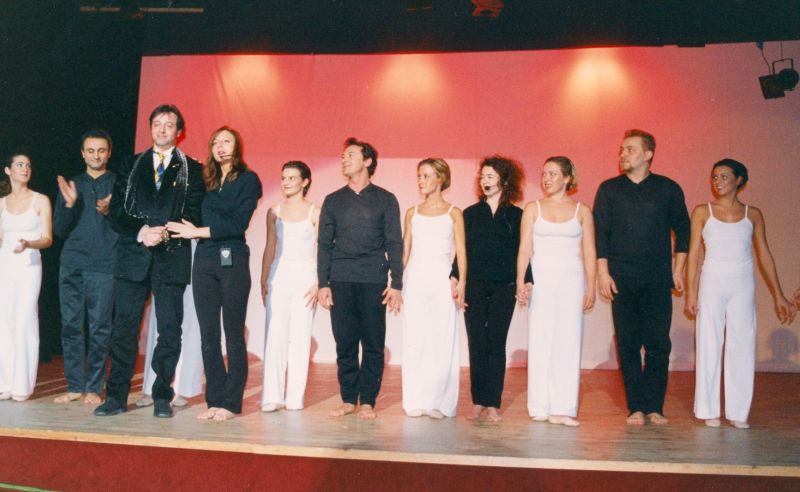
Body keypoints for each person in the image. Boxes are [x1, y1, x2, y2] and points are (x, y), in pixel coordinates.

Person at [94, 104, 204, 418]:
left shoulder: (193, 169)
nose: (162, 128)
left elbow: (194, 214)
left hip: (171, 256)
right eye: (157, 123)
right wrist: (142, 231)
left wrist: (164, 232)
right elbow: (117, 211)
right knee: (124, 328)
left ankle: (161, 396)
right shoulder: (131, 164)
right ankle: (116, 397)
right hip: (133, 255)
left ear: (179, 132)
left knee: (169, 329)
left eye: (169, 124)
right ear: (150, 127)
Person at [685, 159, 794, 429]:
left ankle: (738, 411)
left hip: (742, 283)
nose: (718, 182)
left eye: (724, 177)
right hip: (713, 280)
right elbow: (694, 254)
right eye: (714, 177)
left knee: (742, 343)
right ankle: (709, 409)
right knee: (709, 341)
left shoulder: (752, 214)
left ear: (739, 180)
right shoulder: (702, 211)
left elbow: (764, 255)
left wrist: (778, 295)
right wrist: (691, 293)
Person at [593, 129, 690, 426]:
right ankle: (635, 407)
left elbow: (684, 230)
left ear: (648, 154)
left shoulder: (668, 189)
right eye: (622, 149)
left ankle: (655, 407)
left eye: (630, 149)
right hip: (621, 278)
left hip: (657, 279)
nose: (623, 154)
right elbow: (600, 234)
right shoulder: (609, 189)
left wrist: (678, 269)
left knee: (658, 344)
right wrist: (603, 273)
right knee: (628, 344)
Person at [166, 126, 262, 421]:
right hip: (205, 258)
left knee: (233, 334)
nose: (220, 146)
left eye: (226, 141)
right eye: (215, 142)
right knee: (208, 335)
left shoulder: (248, 180)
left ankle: (231, 403)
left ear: (237, 146)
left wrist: (198, 231)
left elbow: (238, 224)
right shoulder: (204, 181)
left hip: (233, 257)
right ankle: (215, 400)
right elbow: (190, 211)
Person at [317, 137, 403, 420]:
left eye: (351, 155)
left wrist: (397, 283)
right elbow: (324, 244)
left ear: (368, 161)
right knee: (345, 342)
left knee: (373, 342)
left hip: (372, 279)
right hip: (340, 278)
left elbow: (394, 242)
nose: (344, 159)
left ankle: (367, 400)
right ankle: (347, 399)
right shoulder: (333, 200)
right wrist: (323, 283)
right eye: (343, 156)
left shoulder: (385, 199)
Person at [516, 156, 596, 427]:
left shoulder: (582, 211)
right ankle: (540, 406)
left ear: (567, 178)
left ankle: (563, 407)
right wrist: (521, 282)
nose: (546, 179)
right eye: (543, 174)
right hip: (541, 280)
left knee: (568, 340)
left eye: (552, 173)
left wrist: (591, 286)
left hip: (572, 281)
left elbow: (589, 251)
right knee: (541, 339)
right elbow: (524, 249)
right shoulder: (533, 208)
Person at [453, 155, 531, 423]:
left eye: (490, 176)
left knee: (496, 343)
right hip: (474, 285)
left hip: (504, 287)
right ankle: (478, 402)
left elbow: (523, 251)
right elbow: (462, 250)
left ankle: (493, 403)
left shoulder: (517, 215)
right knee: (476, 342)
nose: (484, 181)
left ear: (505, 180)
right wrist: (455, 276)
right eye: (482, 176)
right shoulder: (470, 213)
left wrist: (526, 280)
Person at [52, 130, 118, 405]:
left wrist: (111, 210)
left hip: (104, 264)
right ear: (83, 154)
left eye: (101, 150)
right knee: (70, 326)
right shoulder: (73, 184)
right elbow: (59, 230)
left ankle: (93, 387)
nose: (96, 155)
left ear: (108, 153)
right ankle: (75, 386)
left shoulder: (118, 184)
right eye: (90, 150)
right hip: (72, 264)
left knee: (100, 327)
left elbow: (128, 227)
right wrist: (69, 205)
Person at [401, 158, 466, 419]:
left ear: (440, 179)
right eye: (419, 175)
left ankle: (440, 402)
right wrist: (395, 283)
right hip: (415, 278)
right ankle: (415, 399)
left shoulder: (453, 213)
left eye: (427, 176)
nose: (421, 181)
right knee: (415, 337)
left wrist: (462, 282)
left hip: (442, 278)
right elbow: (405, 251)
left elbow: (461, 251)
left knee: (442, 337)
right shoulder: (412, 212)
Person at [260, 161, 319, 413]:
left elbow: (323, 250)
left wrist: (320, 282)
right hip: (279, 275)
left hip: (305, 276)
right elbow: (270, 247)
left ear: (305, 182)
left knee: (300, 336)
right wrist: (264, 278)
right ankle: (272, 396)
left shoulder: (315, 212)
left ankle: (295, 398)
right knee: (275, 334)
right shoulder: (274, 211)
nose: (286, 182)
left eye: (292, 178)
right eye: (283, 178)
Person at [0, 153, 53, 401]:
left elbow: (47, 238)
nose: (25, 169)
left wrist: (28, 243)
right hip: (5, 264)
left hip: (29, 263)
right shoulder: (1, 203)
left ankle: (22, 386)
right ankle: (5, 383)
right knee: (4, 321)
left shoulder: (40, 200)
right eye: (20, 165)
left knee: (24, 320)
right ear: (8, 170)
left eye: (28, 165)